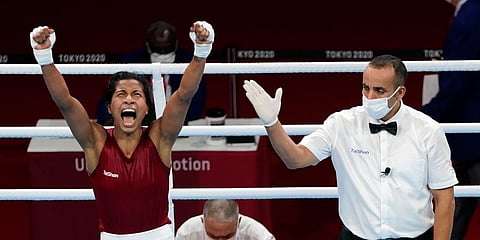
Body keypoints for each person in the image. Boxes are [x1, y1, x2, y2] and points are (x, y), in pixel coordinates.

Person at [30, 20, 214, 239]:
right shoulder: (95, 141)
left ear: (147, 108)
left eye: (136, 94)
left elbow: (184, 95)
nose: (129, 100)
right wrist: (45, 57)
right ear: (109, 107)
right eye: (121, 94)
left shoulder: (159, 137)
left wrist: (201, 50)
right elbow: (66, 103)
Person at [243, 54, 458, 239]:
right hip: (355, 237)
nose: (370, 96)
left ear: (400, 92)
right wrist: (272, 123)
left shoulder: (428, 130)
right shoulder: (341, 124)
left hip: (415, 237)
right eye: (366, 88)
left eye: (379, 90)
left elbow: (445, 197)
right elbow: (295, 159)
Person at [421, 0, 480, 239]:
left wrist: (420, 117)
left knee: (460, 201)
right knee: (458, 204)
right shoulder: (469, 13)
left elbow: (457, 79)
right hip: (469, 138)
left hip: (473, 136)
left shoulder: (471, 14)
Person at [96, 20, 207, 126]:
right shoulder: (131, 62)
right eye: (158, 49)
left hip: (178, 122)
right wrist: (109, 120)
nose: (162, 53)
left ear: (176, 44)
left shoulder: (189, 61)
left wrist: (174, 120)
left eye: (167, 48)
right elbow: (109, 98)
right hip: (138, 123)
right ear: (147, 46)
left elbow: (196, 103)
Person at [175, 199, 275, 240]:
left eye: (227, 236)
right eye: (213, 236)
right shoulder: (187, 233)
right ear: (202, 221)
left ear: (239, 222)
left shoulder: (258, 236)